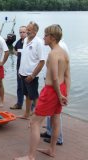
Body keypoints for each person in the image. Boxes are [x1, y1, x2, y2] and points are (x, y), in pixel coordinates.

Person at [15, 24, 70, 160]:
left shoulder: (52, 54)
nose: (43, 37)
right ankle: (51, 150)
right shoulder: (64, 52)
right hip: (61, 89)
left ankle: (31, 156)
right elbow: (68, 76)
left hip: (52, 90)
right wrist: (64, 94)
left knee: (34, 122)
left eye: (45, 35)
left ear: (51, 38)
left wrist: (58, 94)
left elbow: (55, 78)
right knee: (56, 118)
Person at [40, 40, 69, 146]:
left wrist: (63, 93)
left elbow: (61, 74)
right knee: (51, 114)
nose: (44, 38)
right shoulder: (53, 47)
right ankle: (49, 132)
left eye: (46, 35)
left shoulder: (60, 48)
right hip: (50, 83)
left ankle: (58, 138)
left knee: (56, 115)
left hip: (54, 86)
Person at [18, 21, 46, 119]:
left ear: (35, 31)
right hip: (23, 73)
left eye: (29, 30)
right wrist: (20, 71)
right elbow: (24, 57)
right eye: (27, 29)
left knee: (34, 96)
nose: (27, 31)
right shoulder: (25, 40)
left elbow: (42, 62)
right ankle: (27, 114)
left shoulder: (38, 43)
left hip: (31, 76)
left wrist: (33, 75)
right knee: (27, 95)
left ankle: (37, 118)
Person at [10, 26, 27, 109]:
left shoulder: (29, 43)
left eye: (24, 32)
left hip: (27, 69)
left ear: (27, 32)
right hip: (19, 67)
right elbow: (14, 49)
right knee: (19, 86)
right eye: (20, 32)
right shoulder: (19, 42)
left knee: (28, 88)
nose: (22, 34)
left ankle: (31, 107)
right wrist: (15, 52)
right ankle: (19, 104)